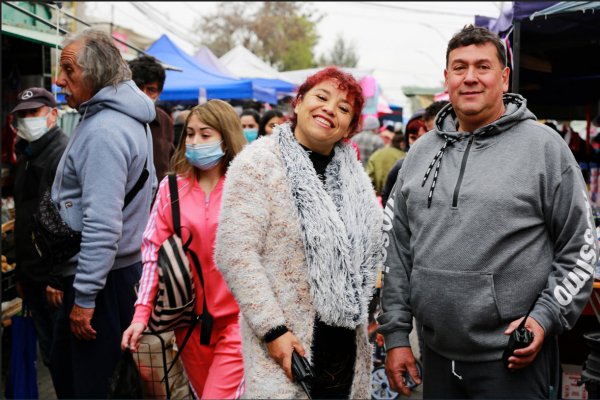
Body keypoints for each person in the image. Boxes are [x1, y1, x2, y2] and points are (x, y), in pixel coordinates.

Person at [378, 24, 597, 399]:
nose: (470, 78)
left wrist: (543, 318)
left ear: (504, 76)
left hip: (512, 360)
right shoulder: (419, 153)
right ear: (446, 78)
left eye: (483, 66)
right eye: (459, 68)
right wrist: (396, 334)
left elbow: (580, 249)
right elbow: (396, 252)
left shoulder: (545, 148)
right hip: (435, 356)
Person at [215, 66, 383, 399]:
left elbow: (372, 252)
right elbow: (235, 253)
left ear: (350, 127)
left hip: (345, 349)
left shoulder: (355, 179)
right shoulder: (259, 163)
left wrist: (372, 307)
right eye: (321, 97)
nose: (329, 109)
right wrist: (273, 331)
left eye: (343, 108)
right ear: (300, 101)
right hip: (287, 345)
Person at [49, 28, 156, 398]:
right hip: (114, 273)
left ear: (95, 74)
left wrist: (85, 298)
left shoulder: (105, 131)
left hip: (105, 278)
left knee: (90, 386)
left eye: (68, 70)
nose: (58, 80)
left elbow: (102, 224)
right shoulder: (117, 118)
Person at [122, 99, 246, 398]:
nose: (194, 141)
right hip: (189, 326)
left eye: (205, 134)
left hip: (239, 323)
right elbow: (151, 253)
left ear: (226, 139)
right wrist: (141, 315)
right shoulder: (171, 189)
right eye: (190, 134)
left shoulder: (246, 187)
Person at [12, 87, 69, 371]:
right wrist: (21, 273)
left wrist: (56, 278)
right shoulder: (26, 156)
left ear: (53, 115)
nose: (27, 120)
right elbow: (25, 216)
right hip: (33, 276)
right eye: (22, 115)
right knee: (51, 355)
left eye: (33, 112)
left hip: (53, 281)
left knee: (63, 358)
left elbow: (67, 221)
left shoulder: (61, 155)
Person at [381, 101, 448, 206]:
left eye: (425, 135)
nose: (419, 142)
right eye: (413, 137)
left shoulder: (449, 165)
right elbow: (387, 196)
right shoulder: (402, 166)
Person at [129, 55, 175, 182]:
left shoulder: (165, 121)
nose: (144, 95)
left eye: (151, 90)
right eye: (138, 88)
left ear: (159, 93)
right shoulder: (116, 119)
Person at [367, 132, 405, 197]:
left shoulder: (376, 154)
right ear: (402, 144)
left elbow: (369, 178)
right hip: (395, 199)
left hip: (377, 198)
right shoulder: (404, 158)